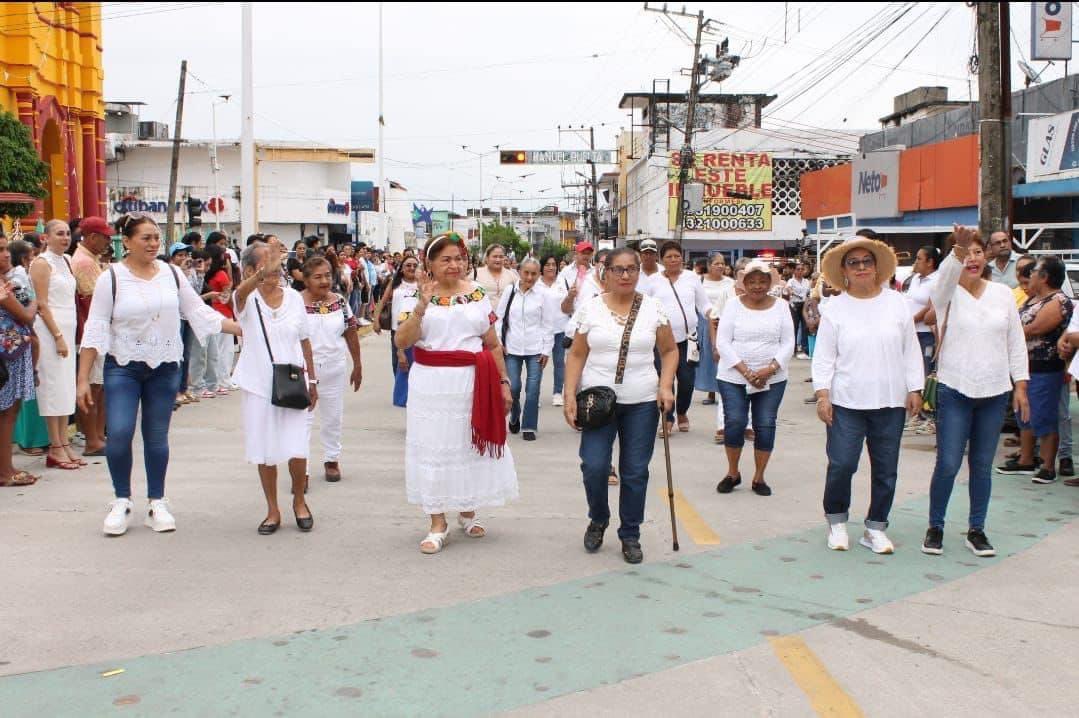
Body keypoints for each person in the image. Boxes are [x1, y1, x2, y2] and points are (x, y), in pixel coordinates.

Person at [78, 214, 241, 535]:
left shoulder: (172, 274)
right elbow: (95, 327)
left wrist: (241, 328)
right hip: (123, 365)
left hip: (164, 366)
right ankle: (122, 500)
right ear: (126, 242)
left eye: (156, 238)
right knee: (120, 432)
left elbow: (197, 312)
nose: (153, 244)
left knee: (156, 436)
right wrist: (83, 378)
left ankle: (157, 502)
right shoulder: (111, 278)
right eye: (146, 238)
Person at [394, 232, 518, 554]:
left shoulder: (476, 293)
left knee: (468, 445)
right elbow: (402, 341)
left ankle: (467, 510)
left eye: (459, 258)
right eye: (445, 259)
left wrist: (503, 382)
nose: (454, 265)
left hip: (472, 383)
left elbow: (492, 343)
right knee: (433, 449)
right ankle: (437, 522)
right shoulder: (415, 296)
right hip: (431, 386)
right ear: (430, 264)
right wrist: (422, 306)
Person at [563, 248, 677, 564]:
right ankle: (598, 517)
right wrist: (570, 394)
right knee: (594, 465)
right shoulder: (591, 309)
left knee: (635, 471)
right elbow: (577, 354)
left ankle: (630, 533)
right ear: (606, 272)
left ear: (639, 272)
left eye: (631, 269)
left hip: (642, 401)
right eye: (618, 269)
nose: (625, 275)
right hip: (598, 402)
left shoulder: (653, 309)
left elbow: (669, 351)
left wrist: (665, 385)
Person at [920, 226, 1029, 557]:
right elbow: (944, 278)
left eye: (978, 252)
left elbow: (1015, 341)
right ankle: (935, 527)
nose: (973, 258)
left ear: (987, 256)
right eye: (966, 252)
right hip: (955, 389)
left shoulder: (1002, 294)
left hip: (994, 392)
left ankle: (976, 530)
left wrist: (1020, 384)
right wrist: (959, 248)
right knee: (948, 463)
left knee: (982, 465)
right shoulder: (946, 293)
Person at [812, 237, 923, 554]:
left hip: (890, 400)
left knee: (886, 469)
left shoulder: (897, 303)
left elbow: (910, 349)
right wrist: (823, 394)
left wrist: (914, 388)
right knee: (842, 463)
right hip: (846, 400)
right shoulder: (835, 309)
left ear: (876, 267)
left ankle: (876, 527)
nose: (861, 267)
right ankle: (836, 521)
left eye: (866, 261)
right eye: (853, 263)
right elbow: (824, 356)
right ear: (844, 270)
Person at [232, 239, 319, 535]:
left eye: (275, 262)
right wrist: (259, 275)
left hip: (292, 382)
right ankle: (272, 509)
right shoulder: (246, 299)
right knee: (264, 449)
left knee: (297, 446)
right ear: (249, 270)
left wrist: (312, 380)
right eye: (264, 262)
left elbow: (304, 340)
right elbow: (239, 295)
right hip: (258, 385)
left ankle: (299, 501)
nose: (274, 268)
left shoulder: (293, 298)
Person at [713, 260, 794, 497]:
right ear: (744, 283)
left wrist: (770, 368)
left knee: (765, 424)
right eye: (752, 281)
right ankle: (732, 473)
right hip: (733, 376)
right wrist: (746, 372)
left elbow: (788, 342)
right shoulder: (732, 305)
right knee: (735, 421)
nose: (757, 286)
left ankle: (759, 477)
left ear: (770, 283)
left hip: (772, 377)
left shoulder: (781, 306)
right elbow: (723, 342)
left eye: (762, 281)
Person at [997, 255, 1072, 483]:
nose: (1030, 274)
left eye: (1035, 271)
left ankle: (1048, 466)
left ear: (1045, 277)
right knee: (1025, 414)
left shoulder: (1058, 300)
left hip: (1046, 368)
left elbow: (1033, 328)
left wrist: (1007, 333)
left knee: (1043, 415)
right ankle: (1026, 459)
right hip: (1026, 366)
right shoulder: (1033, 299)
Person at [300, 256, 363, 482]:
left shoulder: (340, 302)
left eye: (327, 275)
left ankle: (332, 459)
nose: (324, 281)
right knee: (303, 421)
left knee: (332, 418)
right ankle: (302, 470)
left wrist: (357, 365)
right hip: (304, 371)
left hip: (334, 368)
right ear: (306, 280)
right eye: (317, 277)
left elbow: (351, 333)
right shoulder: (295, 303)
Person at [643, 240, 712, 435]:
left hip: (688, 340)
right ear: (661, 260)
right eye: (669, 257)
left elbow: (704, 304)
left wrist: (713, 314)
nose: (673, 260)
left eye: (677, 256)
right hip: (661, 341)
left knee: (687, 380)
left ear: (682, 258)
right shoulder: (653, 281)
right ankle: (667, 418)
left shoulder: (692, 278)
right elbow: (645, 308)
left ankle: (682, 412)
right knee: (665, 379)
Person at [30, 219, 81, 469]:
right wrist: (58, 335)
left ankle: (64, 442)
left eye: (68, 233)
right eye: (59, 234)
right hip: (50, 329)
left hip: (69, 326)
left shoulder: (67, 261)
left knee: (65, 387)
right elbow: (41, 304)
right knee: (52, 387)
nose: (65, 238)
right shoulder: (41, 263)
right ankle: (55, 446)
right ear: (46, 237)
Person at [496, 257, 558, 441]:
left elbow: (548, 324)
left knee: (533, 389)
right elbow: (499, 318)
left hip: (535, 349)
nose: (529, 277)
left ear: (539, 274)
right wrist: (499, 341)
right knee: (513, 387)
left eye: (534, 274)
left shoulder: (543, 295)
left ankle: (529, 426)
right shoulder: (510, 291)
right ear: (519, 272)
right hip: (512, 348)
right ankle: (515, 414)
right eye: (526, 273)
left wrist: (546, 350)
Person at [71, 216, 110, 454]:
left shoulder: (89, 259)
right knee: (93, 388)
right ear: (93, 237)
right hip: (91, 331)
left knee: (99, 386)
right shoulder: (85, 262)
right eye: (105, 237)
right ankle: (92, 440)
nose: (108, 242)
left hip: (93, 330)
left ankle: (97, 436)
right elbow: (96, 299)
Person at [0, 247, 39, 486]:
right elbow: (26, 315)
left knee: (9, 411)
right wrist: (35, 301)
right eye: (0, 250)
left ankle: (6, 467)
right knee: (7, 411)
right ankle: (5, 472)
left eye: (6, 249)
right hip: (8, 354)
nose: (6, 254)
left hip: (12, 350)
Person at [10, 239, 49, 456]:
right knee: (25, 390)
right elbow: (27, 309)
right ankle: (29, 438)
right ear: (25, 258)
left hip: (19, 338)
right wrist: (37, 302)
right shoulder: (18, 278)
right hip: (21, 338)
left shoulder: (16, 276)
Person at [904, 245, 941, 435]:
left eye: (919, 258)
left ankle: (928, 416)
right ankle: (916, 414)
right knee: (913, 371)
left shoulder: (937, 280)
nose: (916, 262)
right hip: (913, 333)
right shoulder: (915, 279)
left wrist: (912, 320)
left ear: (930, 262)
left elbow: (930, 307)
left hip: (927, 333)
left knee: (926, 372)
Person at [697, 254, 734, 408]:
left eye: (722, 263)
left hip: (725, 323)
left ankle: (725, 391)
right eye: (717, 263)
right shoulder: (700, 281)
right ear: (709, 265)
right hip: (705, 324)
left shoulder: (730, 283)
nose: (720, 266)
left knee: (725, 356)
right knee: (709, 358)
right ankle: (711, 392)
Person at [204, 244, 236, 396]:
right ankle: (225, 380)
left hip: (212, 313)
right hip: (224, 313)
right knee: (226, 350)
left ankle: (216, 380)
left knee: (214, 351)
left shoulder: (207, 274)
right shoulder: (222, 275)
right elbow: (227, 296)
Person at [539, 253, 568, 406]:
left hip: (560, 328)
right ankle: (535, 393)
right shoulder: (536, 283)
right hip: (541, 330)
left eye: (553, 265)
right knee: (538, 363)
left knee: (559, 362)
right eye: (547, 265)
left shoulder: (562, 282)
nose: (551, 268)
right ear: (542, 267)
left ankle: (557, 392)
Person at [787, 262, 811, 358]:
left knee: (805, 326)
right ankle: (792, 349)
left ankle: (805, 349)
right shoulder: (791, 281)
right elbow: (789, 289)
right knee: (794, 327)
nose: (800, 271)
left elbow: (809, 292)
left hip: (804, 304)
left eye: (802, 269)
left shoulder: (806, 281)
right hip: (794, 305)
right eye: (798, 269)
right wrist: (793, 293)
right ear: (794, 271)